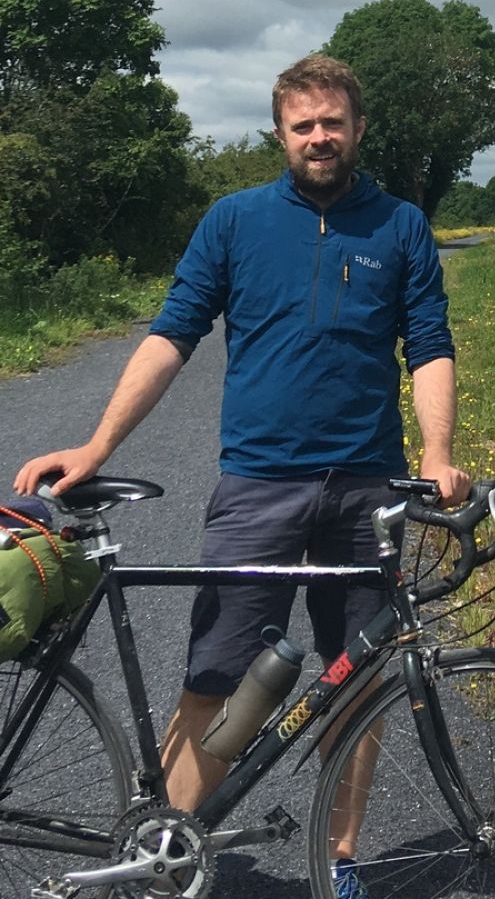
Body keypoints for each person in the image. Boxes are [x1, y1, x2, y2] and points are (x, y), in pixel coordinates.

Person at [14, 54, 469, 898]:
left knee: (356, 680)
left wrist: (436, 456)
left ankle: (339, 862)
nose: (320, 137)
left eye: (333, 121)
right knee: (215, 676)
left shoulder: (400, 227)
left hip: (369, 486)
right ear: (281, 134)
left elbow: (430, 346)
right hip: (258, 484)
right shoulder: (234, 221)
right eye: (304, 126)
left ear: (358, 128)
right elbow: (172, 333)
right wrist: (97, 446)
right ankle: (162, 858)